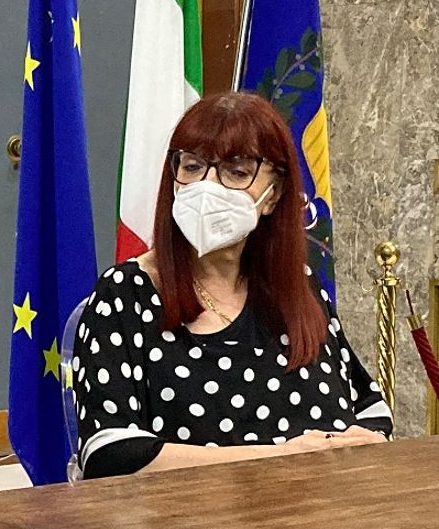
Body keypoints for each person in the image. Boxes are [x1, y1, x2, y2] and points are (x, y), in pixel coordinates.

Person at [72, 92, 390, 478]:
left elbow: (371, 409)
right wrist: (277, 457)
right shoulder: (126, 294)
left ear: (273, 195)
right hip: (185, 514)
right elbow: (109, 452)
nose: (207, 187)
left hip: (319, 508)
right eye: (192, 167)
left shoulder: (298, 288)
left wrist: (362, 443)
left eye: (236, 173)